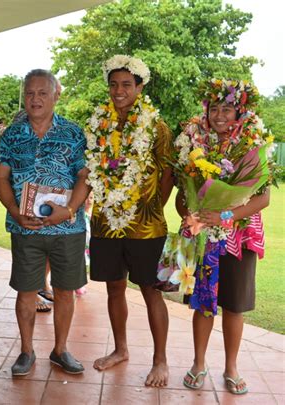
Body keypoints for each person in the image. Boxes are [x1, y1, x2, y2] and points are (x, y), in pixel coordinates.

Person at [176, 79, 274, 395]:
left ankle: (231, 367)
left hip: (239, 238)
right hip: (204, 235)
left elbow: (263, 199)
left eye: (227, 109)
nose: (220, 116)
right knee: (204, 303)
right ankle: (198, 363)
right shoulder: (192, 142)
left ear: (239, 111)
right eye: (214, 109)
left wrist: (224, 216)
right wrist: (187, 212)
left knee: (234, 305)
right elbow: (182, 191)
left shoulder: (252, 146)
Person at [85, 55, 174, 386]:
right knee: (114, 287)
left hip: (146, 226)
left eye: (126, 84)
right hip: (106, 222)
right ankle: (121, 349)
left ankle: (160, 360)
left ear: (139, 87)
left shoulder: (156, 126)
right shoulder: (98, 124)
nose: (118, 90)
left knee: (151, 290)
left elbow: (167, 174)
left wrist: (152, 207)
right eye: (113, 84)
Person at [0, 69, 90, 376]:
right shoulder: (10, 135)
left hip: (68, 228)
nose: (35, 99)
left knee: (64, 290)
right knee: (26, 291)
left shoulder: (74, 133)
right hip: (26, 226)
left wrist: (70, 209)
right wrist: (13, 209)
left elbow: (84, 177)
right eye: (30, 93)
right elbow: (1, 178)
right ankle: (26, 351)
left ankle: (60, 350)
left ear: (56, 95)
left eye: (42, 93)